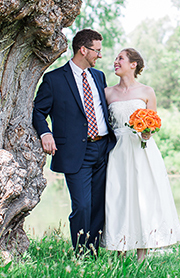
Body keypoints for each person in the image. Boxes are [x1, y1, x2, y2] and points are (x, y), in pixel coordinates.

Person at [32, 29, 116, 251]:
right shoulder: (54, 79)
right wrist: (45, 133)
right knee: (82, 205)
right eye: (97, 51)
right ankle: (80, 253)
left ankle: (93, 252)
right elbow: (38, 111)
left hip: (104, 148)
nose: (100, 55)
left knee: (98, 205)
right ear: (83, 50)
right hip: (76, 152)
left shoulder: (99, 77)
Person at [101, 48, 180, 262]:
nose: (115, 61)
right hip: (117, 151)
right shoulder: (108, 93)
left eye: (120, 58)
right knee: (118, 198)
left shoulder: (147, 92)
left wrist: (147, 131)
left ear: (133, 64)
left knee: (142, 198)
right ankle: (118, 251)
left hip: (141, 151)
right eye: (116, 58)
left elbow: (154, 124)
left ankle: (142, 254)